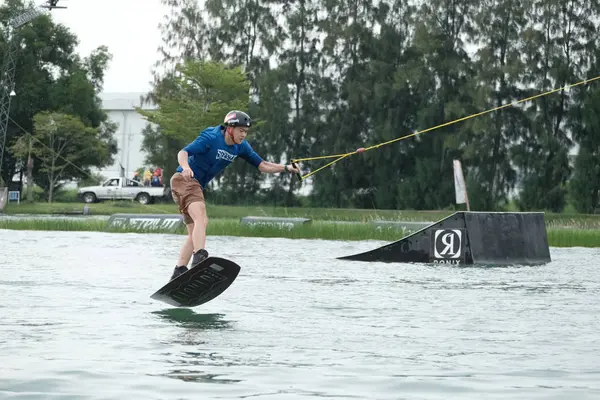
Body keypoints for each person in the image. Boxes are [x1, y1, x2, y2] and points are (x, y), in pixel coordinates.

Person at [168, 110, 301, 281]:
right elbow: (183, 152)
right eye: (240, 130)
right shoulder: (211, 136)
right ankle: (199, 259)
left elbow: (262, 165)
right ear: (230, 128)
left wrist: (286, 168)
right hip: (184, 180)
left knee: (195, 232)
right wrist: (186, 167)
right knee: (202, 218)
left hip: (193, 186)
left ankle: (179, 271)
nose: (243, 134)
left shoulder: (241, 147)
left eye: (246, 131)